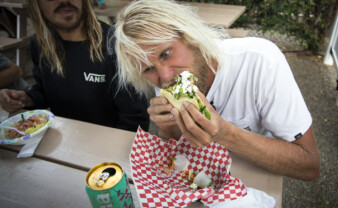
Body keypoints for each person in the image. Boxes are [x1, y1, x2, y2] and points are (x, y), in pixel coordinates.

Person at [113, 0, 320, 180]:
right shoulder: (167, 79)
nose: (165, 77)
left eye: (166, 54)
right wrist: (167, 129)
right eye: (149, 69)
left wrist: (225, 133)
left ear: (190, 37)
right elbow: (178, 153)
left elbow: (310, 165)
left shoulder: (261, 61)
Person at [0, 0, 149, 132]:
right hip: (62, 141)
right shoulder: (40, 45)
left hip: (106, 149)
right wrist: (26, 99)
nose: (63, 1)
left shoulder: (116, 46)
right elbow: (44, 92)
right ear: (36, 5)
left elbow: (135, 119)